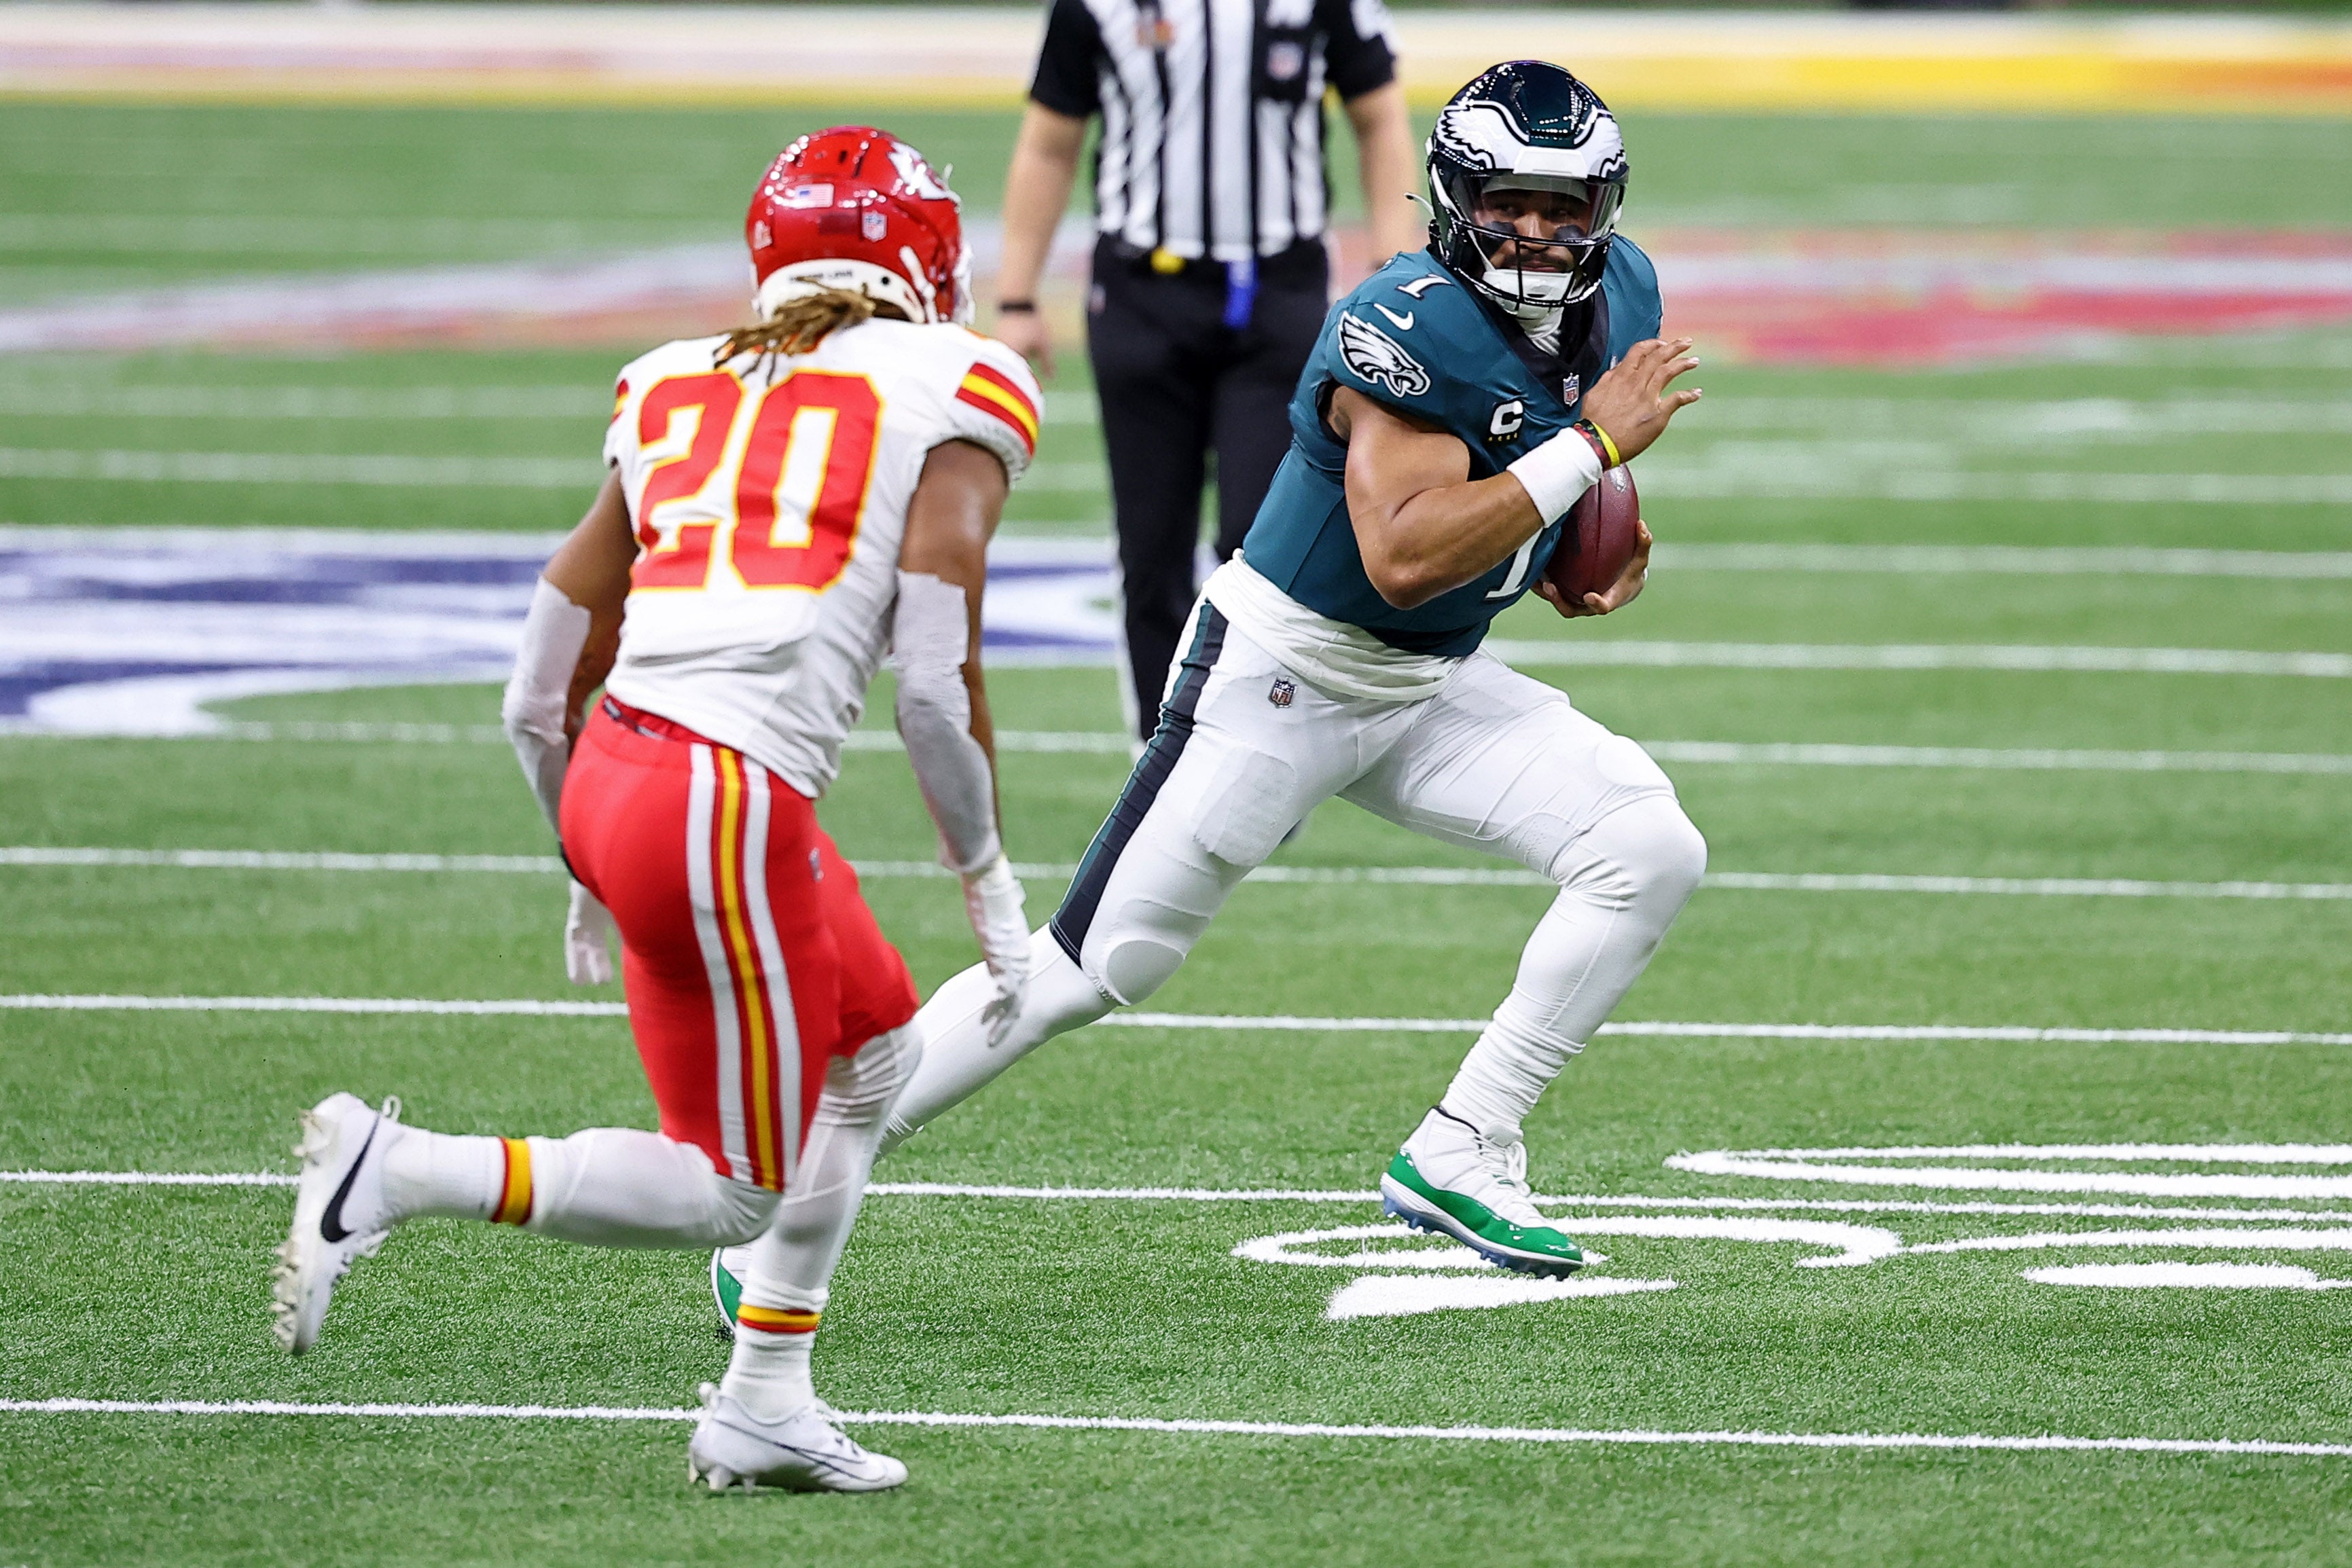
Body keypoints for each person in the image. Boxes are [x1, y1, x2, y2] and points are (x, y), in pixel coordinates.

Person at [270, 127, 1041, 1495]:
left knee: (867, 1059)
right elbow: (932, 684)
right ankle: (397, 1165)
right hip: (724, 799)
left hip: (633, 772)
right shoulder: (958, 382)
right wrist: (988, 879)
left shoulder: (676, 379)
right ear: (927, 263)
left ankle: (764, 1396)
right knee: (735, 1184)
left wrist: (580, 853)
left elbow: (534, 683)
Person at [878, 62, 1707, 1277]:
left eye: (1561, 207)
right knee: (1084, 968)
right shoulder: (1407, 319)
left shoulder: (1620, 295)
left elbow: (1507, 498)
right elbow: (1404, 550)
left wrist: (1566, 556)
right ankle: (803, 1174)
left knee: (1645, 844)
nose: (1534, 232)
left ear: (1605, 211)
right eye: (1506, 203)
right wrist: (1586, 454)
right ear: (1449, 196)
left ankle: (1464, 1143)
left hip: (1423, 685)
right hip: (1283, 671)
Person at [994, 0, 1422, 740]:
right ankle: (1163, 753)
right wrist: (1016, 296)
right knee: (1151, 548)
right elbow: (1051, 141)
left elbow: (1379, 113)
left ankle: (1258, 746)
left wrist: (1392, 262)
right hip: (1140, 291)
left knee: (1263, 541)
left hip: (1278, 291)